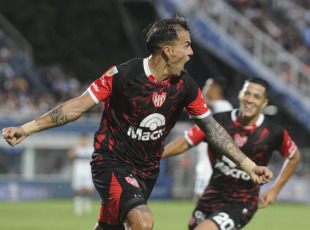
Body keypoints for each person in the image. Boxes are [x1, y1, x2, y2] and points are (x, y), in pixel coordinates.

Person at [2, 17, 272, 230]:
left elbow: (212, 129)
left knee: (110, 227)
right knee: (143, 222)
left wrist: (248, 166)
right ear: (168, 50)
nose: (191, 52)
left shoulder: (185, 86)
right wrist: (26, 129)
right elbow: (76, 107)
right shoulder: (123, 75)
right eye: (186, 45)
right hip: (111, 162)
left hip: (147, 171)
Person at [162, 77, 301, 230]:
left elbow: (294, 156)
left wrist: (275, 190)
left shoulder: (273, 132)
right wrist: (155, 156)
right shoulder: (218, 121)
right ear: (240, 95)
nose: (250, 100)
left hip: (241, 204)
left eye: (256, 97)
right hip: (211, 196)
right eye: (247, 94)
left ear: (264, 103)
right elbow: (186, 142)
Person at [194, 77, 233, 202]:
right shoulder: (211, 108)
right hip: (206, 158)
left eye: (207, 85)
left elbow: (198, 104)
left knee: (202, 199)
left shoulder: (224, 106)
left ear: (215, 88)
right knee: (203, 198)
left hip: (211, 160)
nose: (204, 89)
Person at [67, 133, 94, 216]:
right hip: (78, 171)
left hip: (88, 171)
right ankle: (78, 207)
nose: (83, 141)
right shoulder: (77, 148)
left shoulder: (91, 149)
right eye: (82, 139)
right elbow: (70, 155)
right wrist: (76, 147)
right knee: (78, 189)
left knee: (89, 189)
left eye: (85, 139)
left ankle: (87, 202)